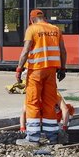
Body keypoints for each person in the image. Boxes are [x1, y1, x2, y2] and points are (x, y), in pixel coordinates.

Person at [15, 9, 67, 145]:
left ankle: (32, 137)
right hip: (51, 71)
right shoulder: (55, 29)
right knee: (49, 103)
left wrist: (19, 69)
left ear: (32, 19)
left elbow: (26, 51)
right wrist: (63, 68)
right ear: (44, 17)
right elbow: (63, 50)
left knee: (32, 102)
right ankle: (52, 137)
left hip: (36, 71)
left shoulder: (32, 29)